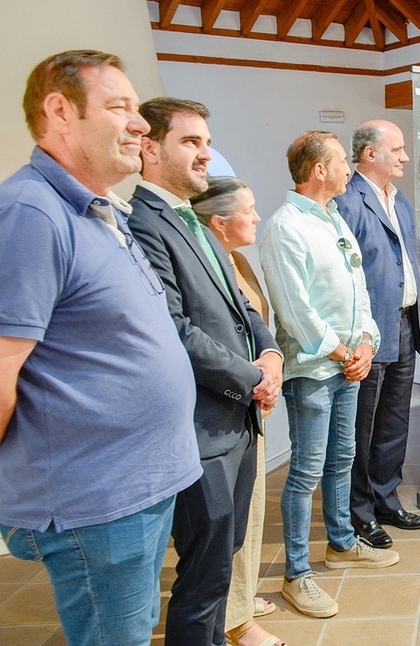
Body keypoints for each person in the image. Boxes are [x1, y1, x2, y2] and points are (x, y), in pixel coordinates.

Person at [0, 50, 202, 645]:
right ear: (60, 111)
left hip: (136, 485)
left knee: (132, 628)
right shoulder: (30, 212)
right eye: (119, 107)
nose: (140, 124)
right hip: (96, 500)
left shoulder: (97, 209)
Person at [128, 97, 283, 646]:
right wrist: (252, 377)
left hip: (235, 420)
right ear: (150, 148)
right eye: (191, 142)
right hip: (202, 425)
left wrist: (271, 355)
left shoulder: (188, 219)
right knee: (202, 573)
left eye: (206, 142)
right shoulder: (144, 224)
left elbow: (243, 307)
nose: (206, 154)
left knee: (223, 561)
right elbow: (173, 329)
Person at [260, 131, 398, 620]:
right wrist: (343, 351)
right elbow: (294, 309)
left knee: (343, 458)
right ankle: (297, 573)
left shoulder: (334, 217)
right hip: (315, 369)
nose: (347, 169)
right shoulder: (284, 227)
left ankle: (341, 543)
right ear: (319, 169)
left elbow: (359, 291)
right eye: (342, 162)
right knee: (305, 472)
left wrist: (367, 343)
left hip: (347, 363)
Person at [191, 177, 284, 646]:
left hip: (253, 408)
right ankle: (236, 620)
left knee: (246, 519)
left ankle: (240, 602)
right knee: (222, 527)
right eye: (249, 210)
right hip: (222, 413)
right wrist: (252, 380)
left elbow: (257, 327)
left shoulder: (238, 260)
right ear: (218, 222)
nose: (257, 217)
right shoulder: (196, 265)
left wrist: (272, 365)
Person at [334, 120, 420, 550]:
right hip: (368, 332)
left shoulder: (401, 200)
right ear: (370, 154)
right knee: (361, 428)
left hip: (405, 323)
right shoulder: (346, 201)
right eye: (398, 149)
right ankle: (360, 514)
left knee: (394, 421)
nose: (405, 157)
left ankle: (387, 500)